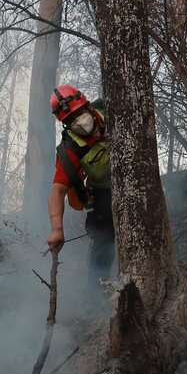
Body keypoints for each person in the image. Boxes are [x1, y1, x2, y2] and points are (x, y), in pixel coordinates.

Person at [46, 84, 115, 287]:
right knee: (103, 240)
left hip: (134, 181)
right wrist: (56, 228)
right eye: (70, 120)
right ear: (65, 124)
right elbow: (58, 190)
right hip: (102, 192)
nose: (79, 122)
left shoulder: (112, 110)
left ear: (89, 107)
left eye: (79, 113)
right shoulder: (70, 149)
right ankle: (96, 293)